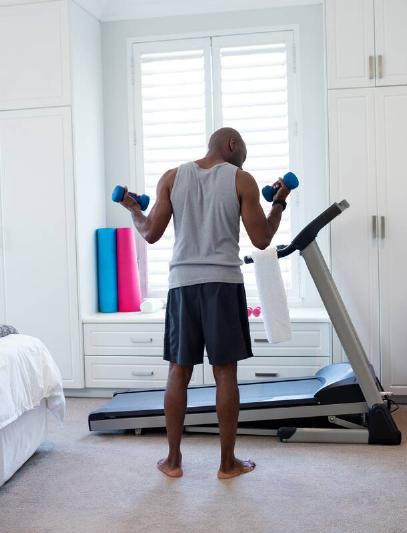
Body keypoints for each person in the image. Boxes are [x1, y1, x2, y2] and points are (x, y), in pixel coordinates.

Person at [117, 127, 291, 479]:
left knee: (177, 373)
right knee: (225, 373)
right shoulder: (242, 180)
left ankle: (173, 461)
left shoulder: (171, 177)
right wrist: (279, 204)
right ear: (231, 144)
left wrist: (133, 209)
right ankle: (227, 465)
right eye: (243, 148)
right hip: (223, 285)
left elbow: (149, 232)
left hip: (182, 285)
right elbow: (262, 240)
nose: (244, 156)